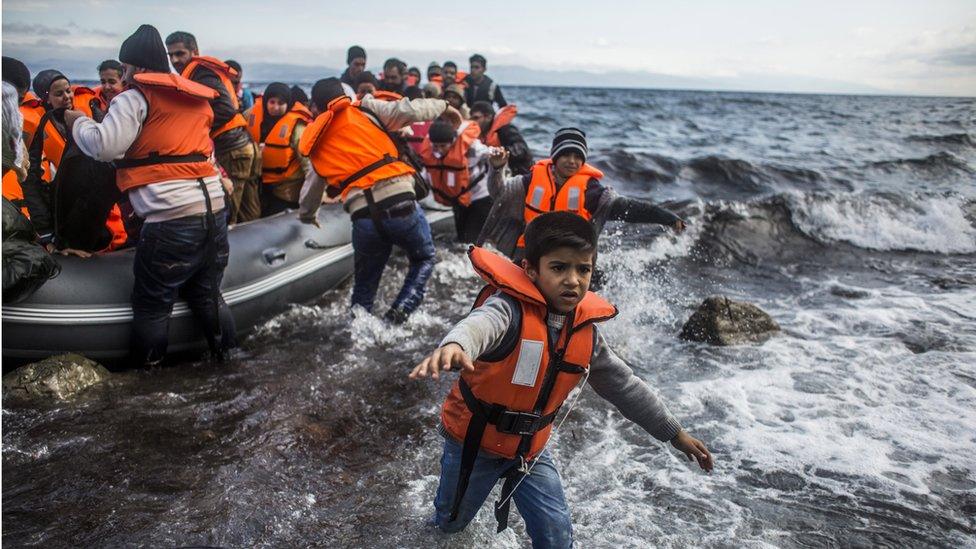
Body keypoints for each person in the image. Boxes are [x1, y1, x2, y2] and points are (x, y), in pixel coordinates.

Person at [410, 212, 713, 546]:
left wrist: (674, 433)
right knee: (449, 526)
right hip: (474, 444)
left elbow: (625, 387)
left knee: (556, 536)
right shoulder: (507, 310)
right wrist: (455, 345)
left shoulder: (586, 334)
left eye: (583, 269)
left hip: (529, 451)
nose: (573, 280)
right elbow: (479, 326)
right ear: (531, 269)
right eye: (559, 268)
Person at [66, 24, 236, 366]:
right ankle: (228, 360)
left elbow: (104, 146)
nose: (124, 76)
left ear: (138, 67)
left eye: (126, 69)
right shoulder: (195, 97)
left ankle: (149, 380)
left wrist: (78, 122)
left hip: (170, 219)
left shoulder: (134, 97)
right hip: (214, 211)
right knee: (207, 295)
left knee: (152, 304)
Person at [297, 77, 462, 324]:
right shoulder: (364, 108)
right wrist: (445, 107)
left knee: (364, 288)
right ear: (344, 96)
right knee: (424, 257)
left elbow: (310, 194)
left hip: (363, 218)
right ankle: (399, 313)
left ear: (316, 108)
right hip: (399, 203)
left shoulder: (316, 140)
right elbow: (408, 109)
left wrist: (309, 216)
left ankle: (358, 331)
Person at [482, 127, 686, 260]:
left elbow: (630, 209)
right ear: (554, 157)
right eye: (566, 155)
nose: (572, 161)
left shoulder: (592, 191)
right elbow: (499, 193)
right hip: (529, 254)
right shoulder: (530, 180)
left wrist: (667, 217)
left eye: (577, 156)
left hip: (570, 259)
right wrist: (497, 168)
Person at [166, 31, 261, 223]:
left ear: (195, 51)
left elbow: (225, 110)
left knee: (229, 212)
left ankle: (231, 251)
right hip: (242, 146)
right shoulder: (200, 71)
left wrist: (194, 126)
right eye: (171, 55)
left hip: (231, 149)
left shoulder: (200, 73)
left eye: (180, 53)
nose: (175, 60)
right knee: (248, 211)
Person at [24, 69, 121, 250]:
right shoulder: (39, 127)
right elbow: (31, 180)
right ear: (46, 98)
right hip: (61, 206)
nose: (67, 97)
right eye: (59, 94)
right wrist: (44, 230)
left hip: (91, 201)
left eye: (68, 91)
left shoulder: (90, 114)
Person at [419, 119, 495, 243]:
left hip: (480, 196)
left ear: (453, 141)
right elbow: (426, 174)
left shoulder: (473, 147)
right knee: (461, 237)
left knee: (472, 239)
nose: (439, 150)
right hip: (459, 199)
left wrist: (498, 157)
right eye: (436, 146)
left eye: (443, 146)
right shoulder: (432, 153)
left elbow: (492, 153)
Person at [245, 82, 313, 216]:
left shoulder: (297, 127)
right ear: (266, 102)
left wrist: (313, 194)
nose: (275, 107)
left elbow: (308, 163)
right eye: (272, 102)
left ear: (288, 104)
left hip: (286, 188)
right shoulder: (251, 114)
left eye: (281, 103)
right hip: (257, 182)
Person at [469, 101, 532, 176]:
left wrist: (499, 154)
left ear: (488, 117)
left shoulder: (505, 129)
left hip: (520, 175)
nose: (473, 122)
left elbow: (522, 149)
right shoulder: (481, 135)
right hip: (499, 173)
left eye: (476, 118)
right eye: (471, 119)